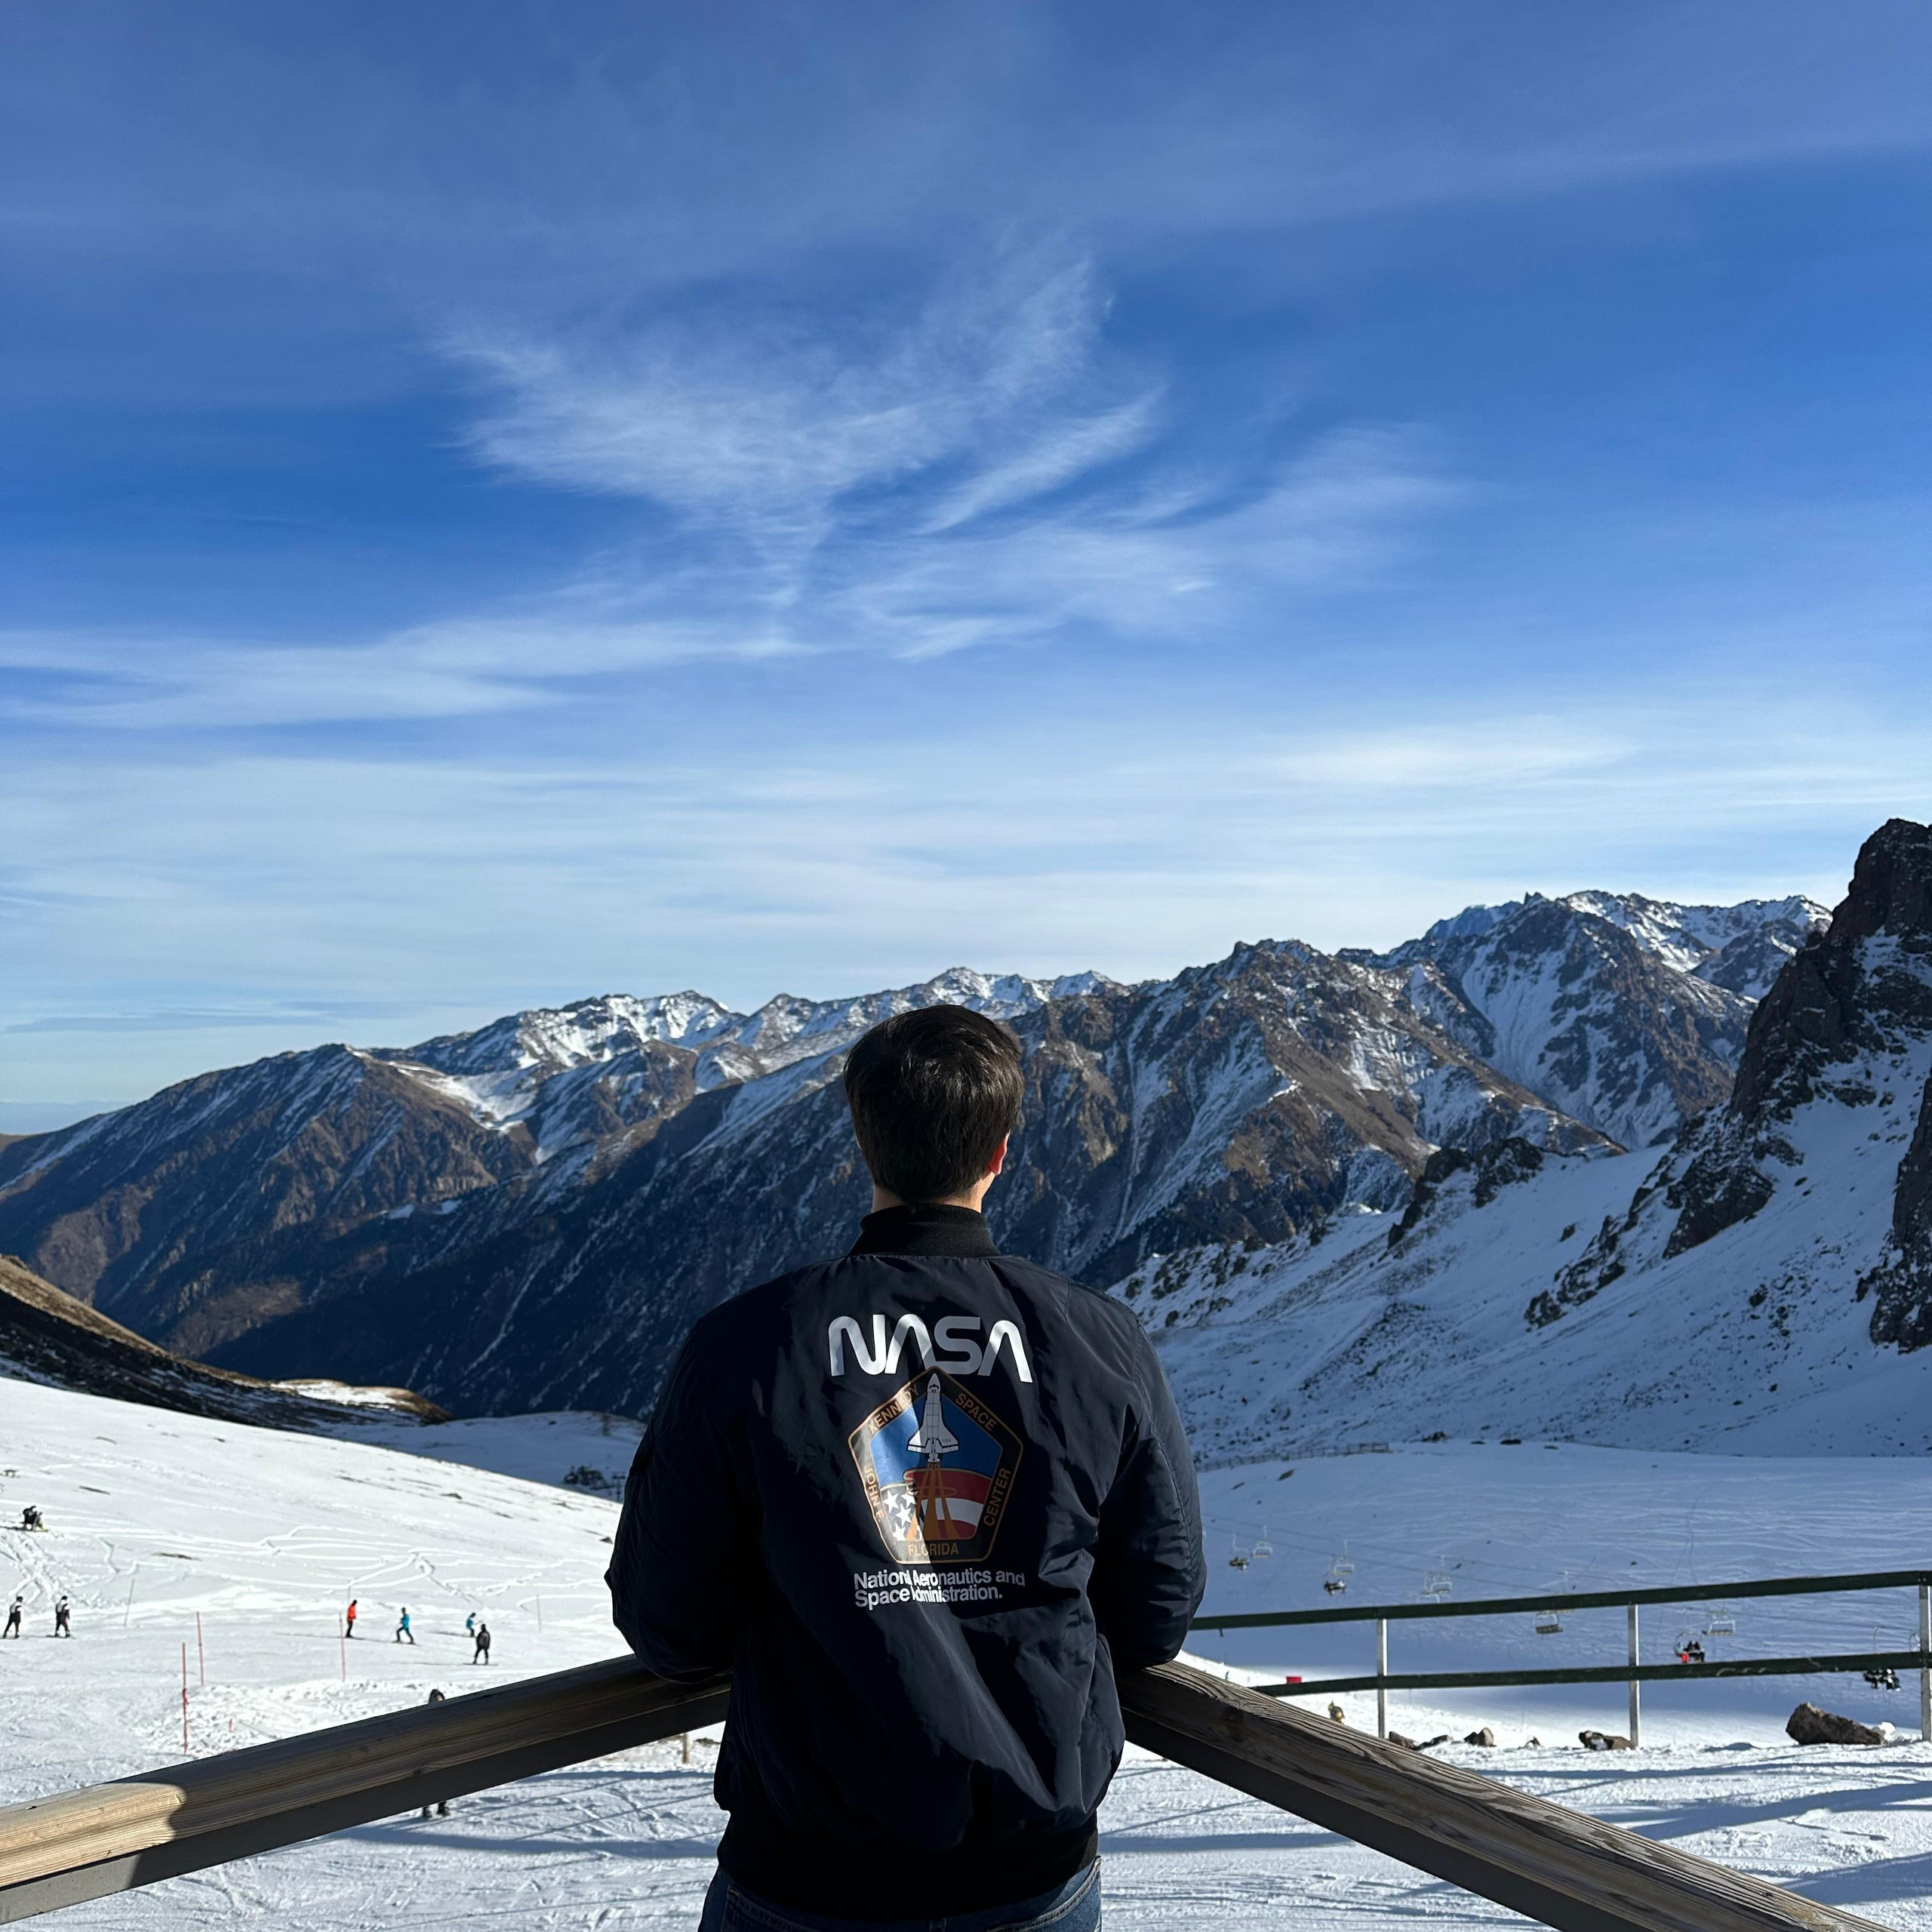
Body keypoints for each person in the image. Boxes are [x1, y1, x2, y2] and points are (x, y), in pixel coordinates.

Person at [609, 1005, 1204, 1932]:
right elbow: (1157, 1609)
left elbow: (667, 1626)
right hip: (1029, 1875)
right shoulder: (1099, 1340)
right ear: (1002, 1153)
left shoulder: (749, 1344)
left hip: (805, 1876)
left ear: (862, 1141)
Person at [420, 1690, 451, 1817]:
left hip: (443, 1752)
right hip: (429, 1753)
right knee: (427, 1782)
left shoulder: (447, 1716)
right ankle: (426, 1808)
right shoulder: (425, 1717)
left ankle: (442, 1806)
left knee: (444, 1780)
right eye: (435, 1700)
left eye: (440, 1700)